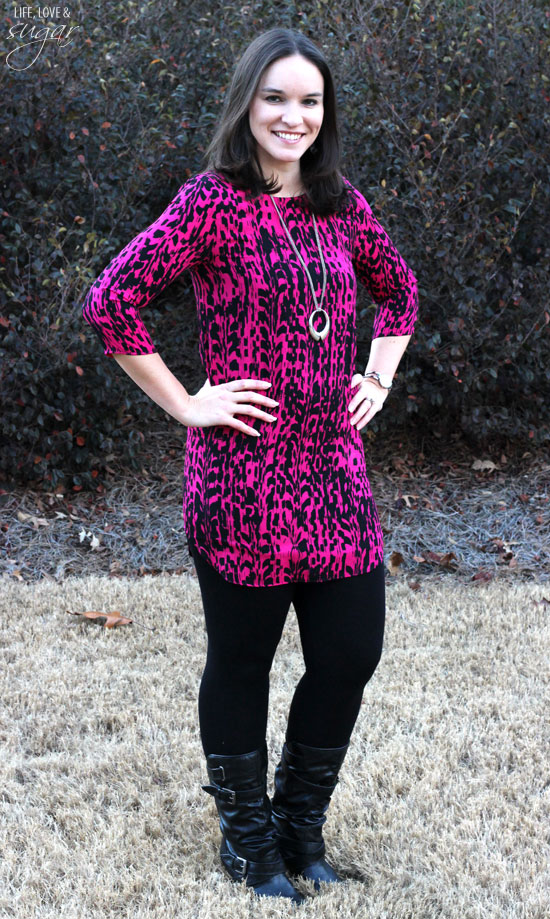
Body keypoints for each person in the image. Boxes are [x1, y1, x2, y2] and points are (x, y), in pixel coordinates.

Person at [81, 27, 418, 905]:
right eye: (275, 98)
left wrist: (376, 372)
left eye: (308, 101)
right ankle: (247, 842)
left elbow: (402, 290)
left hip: (335, 475)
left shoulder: (341, 204)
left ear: (324, 113)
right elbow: (112, 302)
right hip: (242, 481)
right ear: (247, 104)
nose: (292, 116)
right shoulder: (210, 204)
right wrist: (190, 403)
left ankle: (302, 830)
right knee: (242, 662)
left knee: (350, 651)